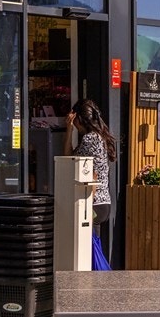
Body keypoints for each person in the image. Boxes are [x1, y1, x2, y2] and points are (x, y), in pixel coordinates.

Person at [68, 98, 117, 264]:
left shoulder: (90, 139)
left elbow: (69, 159)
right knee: (93, 249)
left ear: (80, 119)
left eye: (74, 121)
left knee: (89, 254)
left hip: (93, 203)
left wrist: (68, 131)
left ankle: (96, 282)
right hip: (104, 203)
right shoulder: (101, 137)